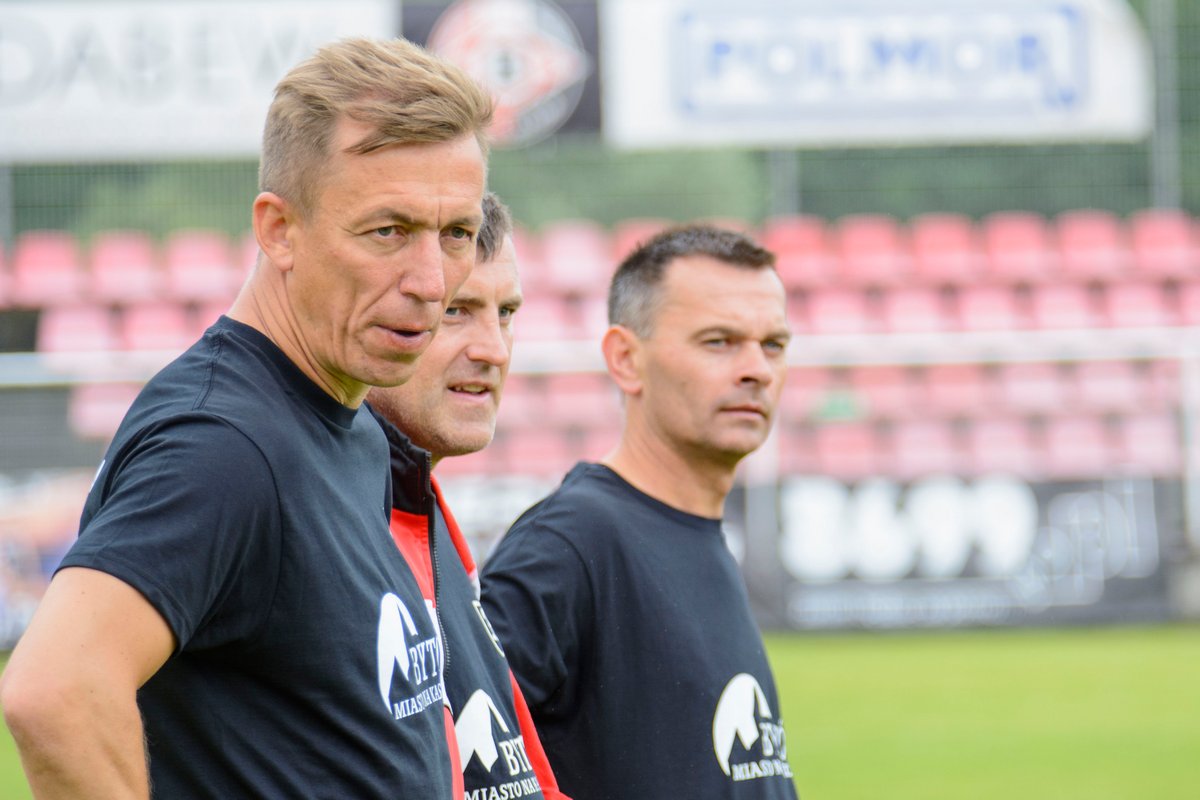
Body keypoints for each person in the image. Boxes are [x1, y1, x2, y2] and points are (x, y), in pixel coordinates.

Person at [0, 37, 492, 799]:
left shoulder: (348, 422)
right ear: (278, 230)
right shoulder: (224, 446)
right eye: (387, 231)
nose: (432, 281)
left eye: (456, 233)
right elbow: (55, 690)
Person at [480, 224, 800, 799]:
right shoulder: (569, 546)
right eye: (719, 342)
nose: (757, 369)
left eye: (773, 344)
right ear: (626, 359)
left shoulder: (694, 529)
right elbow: (456, 759)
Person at [367, 191, 569, 800]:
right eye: (455, 310)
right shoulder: (310, 514)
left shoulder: (420, 503)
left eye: (505, 313)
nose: (494, 350)